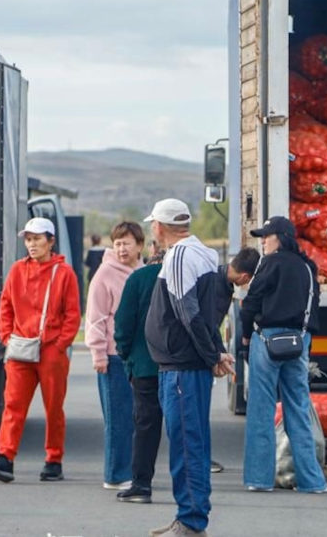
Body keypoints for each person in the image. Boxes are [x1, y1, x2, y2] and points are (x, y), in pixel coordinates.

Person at [143, 198, 233, 537]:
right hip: (188, 364)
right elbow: (209, 314)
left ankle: (191, 521)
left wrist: (212, 356)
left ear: (159, 227)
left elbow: (188, 312)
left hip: (181, 367)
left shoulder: (179, 255)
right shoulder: (205, 253)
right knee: (194, 441)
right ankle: (191, 515)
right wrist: (216, 351)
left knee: (186, 444)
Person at [0, 217, 81, 483]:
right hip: (20, 348)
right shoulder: (17, 270)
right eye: (28, 239)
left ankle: (53, 459)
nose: (32, 244)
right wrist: (6, 338)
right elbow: (6, 306)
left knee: (53, 407)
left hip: (51, 351)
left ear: (51, 242)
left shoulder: (64, 273)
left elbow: (72, 313)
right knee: (13, 404)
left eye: (37, 239)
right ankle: (5, 458)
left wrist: (60, 344)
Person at [239, 216, 327, 494]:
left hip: (267, 341)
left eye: (267, 236)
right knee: (298, 409)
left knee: (261, 411)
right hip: (299, 342)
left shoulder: (270, 264)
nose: (262, 240)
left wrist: (245, 334)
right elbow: (314, 305)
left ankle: (259, 479)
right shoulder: (308, 267)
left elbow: (251, 301)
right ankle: (312, 481)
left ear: (282, 237)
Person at [84, 221, 145, 490]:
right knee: (117, 419)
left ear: (139, 246)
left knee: (135, 418)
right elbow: (96, 317)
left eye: (127, 244)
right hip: (113, 356)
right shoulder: (105, 274)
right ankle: (115, 474)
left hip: (137, 357)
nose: (121, 249)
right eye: (117, 243)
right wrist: (98, 353)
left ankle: (130, 469)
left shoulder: (142, 272)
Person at [201, 247, 260, 475]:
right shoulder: (219, 289)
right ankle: (200, 459)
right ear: (245, 277)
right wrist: (215, 357)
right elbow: (208, 326)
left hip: (201, 352)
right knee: (197, 411)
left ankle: (201, 458)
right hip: (198, 355)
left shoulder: (216, 277)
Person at [113, 248, 164, 504]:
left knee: (146, 426)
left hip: (145, 365)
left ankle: (142, 484)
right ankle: (190, 484)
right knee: (184, 427)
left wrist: (125, 354)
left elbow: (123, 323)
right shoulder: (186, 276)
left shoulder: (138, 278)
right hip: (181, 365)